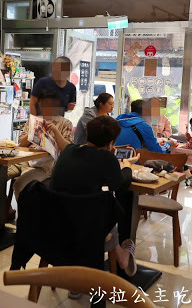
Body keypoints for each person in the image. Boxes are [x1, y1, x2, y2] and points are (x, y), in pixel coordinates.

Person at [51, 115, 136, 279]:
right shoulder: (107, 158)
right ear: (111, 143)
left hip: (54, 224)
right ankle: (121, 257)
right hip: (87, 229)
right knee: (107, 207)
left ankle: (82, 268)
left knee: (95, 205)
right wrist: (127, 166)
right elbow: (120, 185)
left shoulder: (68, 150)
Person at [0, 89, 73, 203]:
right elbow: (21, 143)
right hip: (23, 160)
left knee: (20, 185)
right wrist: (33, 131)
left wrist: (55, 131)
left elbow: (68, 149)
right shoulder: (34, 120)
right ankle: (5, 209)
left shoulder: (65, 123)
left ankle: (25, 213)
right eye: (43, 105)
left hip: (45, 165)